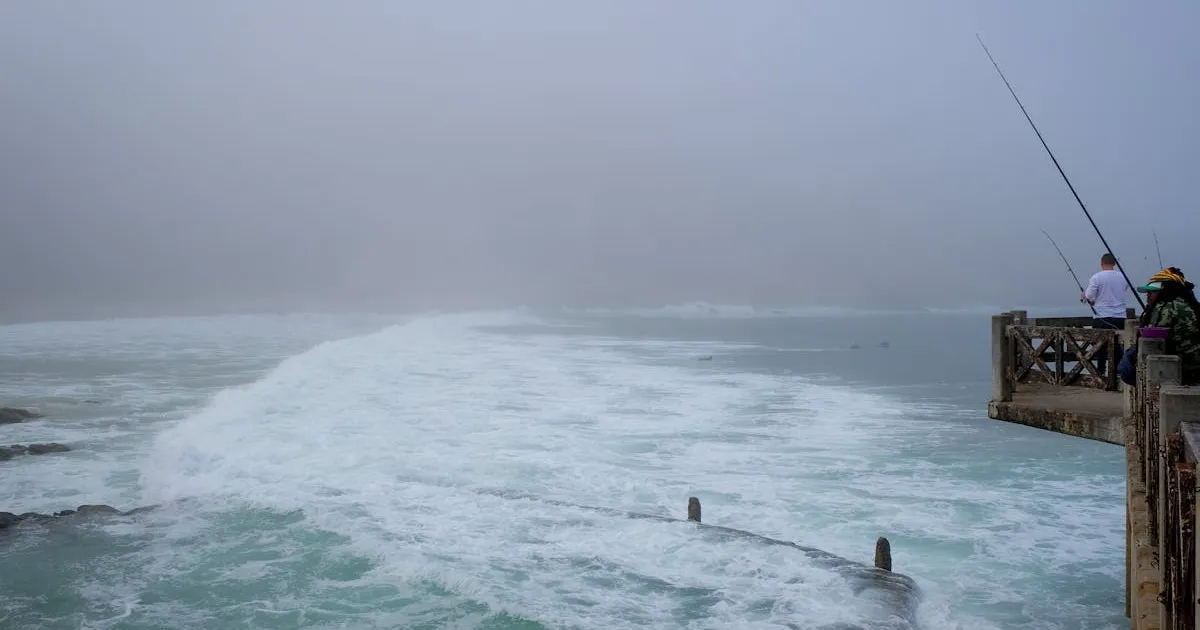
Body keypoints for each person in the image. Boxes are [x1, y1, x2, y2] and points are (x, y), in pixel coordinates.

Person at [1137, 268, 1200, 385]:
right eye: (1147, 292)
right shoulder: (1189, 303)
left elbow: (1155, 334)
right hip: (1195, 361)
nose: (1148, 295)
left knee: (1127, 364)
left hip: (1183, 363)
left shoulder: (1165, 307)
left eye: (1152, 292)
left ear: (1163, 291)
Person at [1082, 253, 1129, 373]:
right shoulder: (1123, 277)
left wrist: (1085, 296)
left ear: (1101, 263)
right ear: (1114, 263)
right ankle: (1117, 374)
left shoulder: (1096, 277)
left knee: (1100, 348)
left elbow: (1089, 296)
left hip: (1102, 317)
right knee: (1118, 347)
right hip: (1120, 317)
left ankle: (1101, 373)